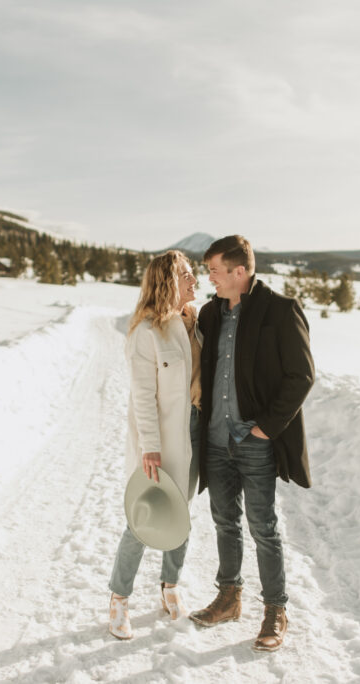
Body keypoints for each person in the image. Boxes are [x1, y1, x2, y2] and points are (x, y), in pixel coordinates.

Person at [189, 235, 314, 653]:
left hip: (255, 442)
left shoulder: (280, 311)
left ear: (240, 272)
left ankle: (275, 609)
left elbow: (301, 376)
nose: (211, 279)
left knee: (263, 527)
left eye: (216, 271)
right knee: (225, 522)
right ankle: (229, 598)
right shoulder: (209, 313)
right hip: (216, 440)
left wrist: (265, 428)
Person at [107, 250, 202, 640]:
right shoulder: (146, 332)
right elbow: (142, 396)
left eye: (194, 272)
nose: (193, 279)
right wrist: (150, 447)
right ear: (166, 282)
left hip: (194, 434)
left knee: (182, 516)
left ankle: (170, 587)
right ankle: (119, 598)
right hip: (160, 441)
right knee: (143, 519)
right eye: (186, 274)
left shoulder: (195, 324)